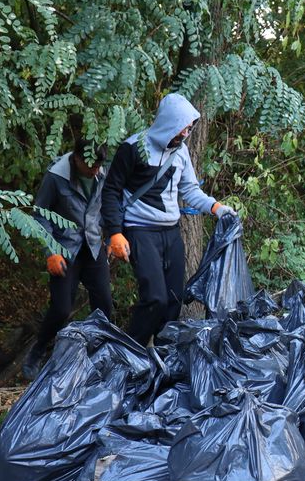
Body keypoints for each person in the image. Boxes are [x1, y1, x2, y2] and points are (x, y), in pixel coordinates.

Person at [101, 93, 235, 345]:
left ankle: (164, 359)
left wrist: (216, 207)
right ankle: (132, 353)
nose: (186, 133)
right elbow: (111, 190)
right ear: (170, 123)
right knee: (154, 298)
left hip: (170, 233)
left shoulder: (181, 152)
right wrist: (115, 232)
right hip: (140, 230)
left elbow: (190, 190)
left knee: (174, 298)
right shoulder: (133, 147)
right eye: (183, 127)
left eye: (188, 128)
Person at [23, 139, 112, 380]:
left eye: (98, 166)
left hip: (93, 246)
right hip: (64, 248)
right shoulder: (56, 176)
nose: (95, 171)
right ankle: (38, 350)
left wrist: (111, 234)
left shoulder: (103, 173)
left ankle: (102, 355)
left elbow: (108, 206)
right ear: (77, 158)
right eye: (90, 166)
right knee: (61, 309)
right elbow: (40, 216)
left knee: (104, 305)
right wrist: (50, 251)